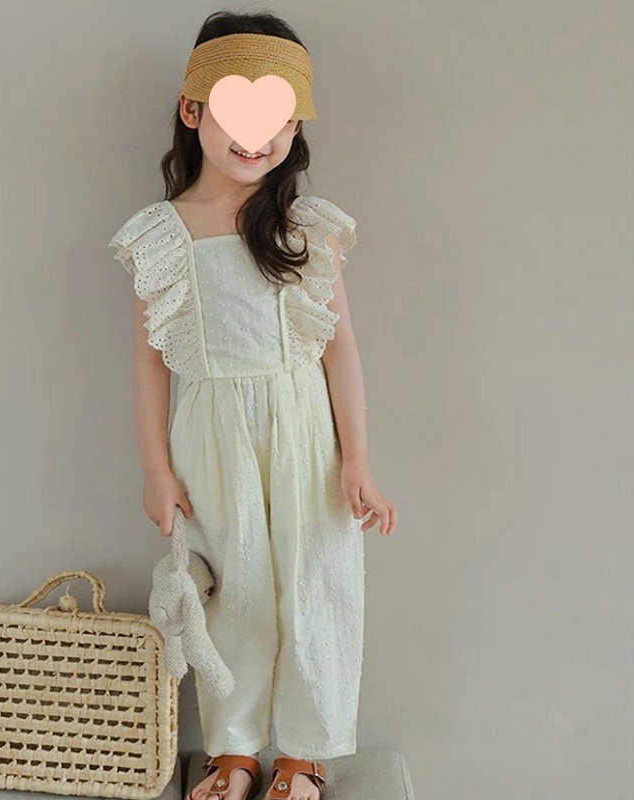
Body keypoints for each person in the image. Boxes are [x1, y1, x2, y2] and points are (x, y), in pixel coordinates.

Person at [108, 10, 397, 800]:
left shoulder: (305, 230)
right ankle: (232, 751)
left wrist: (358, 459)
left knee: (314, 585)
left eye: (276, 119)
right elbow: (149, 363)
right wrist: (155, 469)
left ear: (293, 129)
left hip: (306, 436)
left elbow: (340, 349)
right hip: (211, 436)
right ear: (192, 109)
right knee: (232, 593)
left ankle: (306, 753)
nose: (254, 138)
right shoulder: (162, 237)